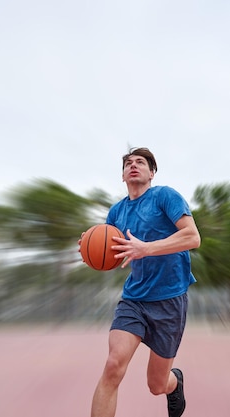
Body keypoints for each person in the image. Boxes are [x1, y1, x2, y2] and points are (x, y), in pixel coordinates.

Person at [86, 147, 201, 417]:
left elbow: (192, 237)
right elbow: (111, 254)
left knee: (156, 384)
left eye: (140, 162)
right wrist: (88, 251)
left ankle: (174, 384)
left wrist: (146, 248)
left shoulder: (165, 197)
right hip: (134, 299)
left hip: (169, 299)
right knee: (113, 365)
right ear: (123, 175)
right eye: (128, 163)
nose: (133, 165)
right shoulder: (116, 213)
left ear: (152, 172)